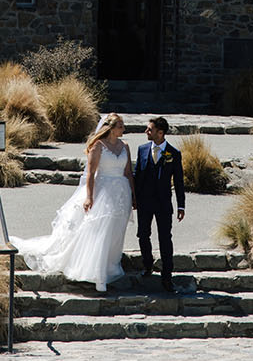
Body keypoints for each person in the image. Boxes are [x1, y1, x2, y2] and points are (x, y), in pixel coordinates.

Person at [12, 113, 134, 293]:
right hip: (103, 192)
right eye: (120, 125)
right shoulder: (98, 146)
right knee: (101, 229)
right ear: (110, 127)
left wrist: (133, 194)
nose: (123, 129)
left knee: (116, 229)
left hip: (121, 193)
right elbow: (91, 174)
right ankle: (97, 274)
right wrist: (89, 197)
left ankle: (111, 265)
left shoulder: (125, 146)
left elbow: (128, 172)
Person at [132, 116, 185, 291]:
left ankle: (167, 277)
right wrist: (133, 198)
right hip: (144, 202)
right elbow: (137, 176)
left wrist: (181, 205)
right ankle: (147, 265)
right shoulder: (142, 150)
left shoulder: (173, 154)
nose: (146, 132)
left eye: (149, 129)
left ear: (160, 133)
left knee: (165, 239)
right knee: (143, 234)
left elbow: (178, 182)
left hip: (163, 204)